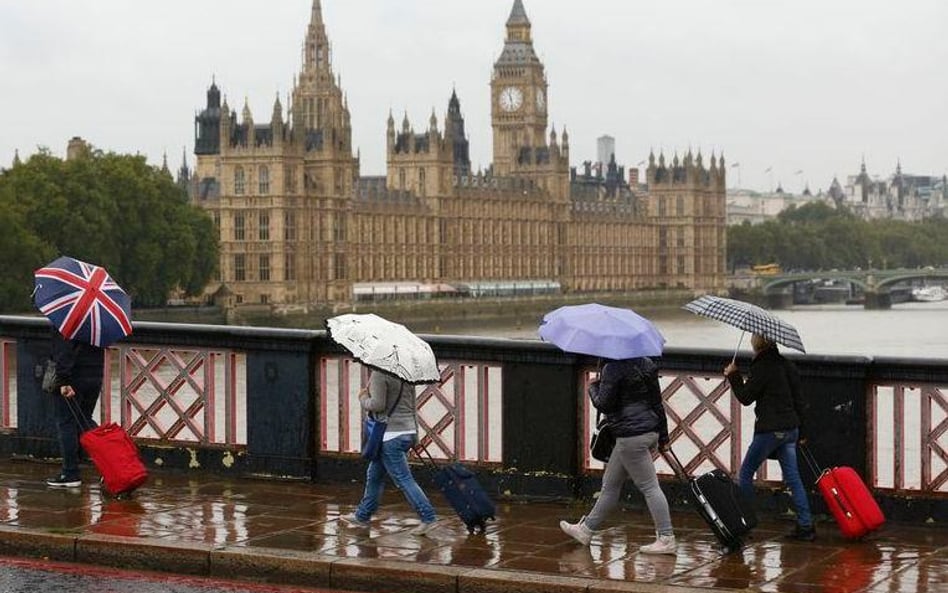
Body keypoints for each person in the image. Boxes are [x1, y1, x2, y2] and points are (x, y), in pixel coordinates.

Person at [560, 356, 677, 554]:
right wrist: (664, 438)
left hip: (631, 436)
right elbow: (658, 403)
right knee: (611, 484)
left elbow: (604, 404)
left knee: (649, 486)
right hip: (648, 431)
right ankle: (586, 530)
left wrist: (593, 387)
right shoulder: (647, 364)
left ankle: (666, 538)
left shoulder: (613, 368)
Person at [724, 333, 814, 541]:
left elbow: (746, 398)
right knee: (793, 479)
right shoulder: (787, 365)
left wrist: (733, 376)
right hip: (791, 429)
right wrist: (803, 432)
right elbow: (799, 400)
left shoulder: (762, 367)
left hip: (770, 430)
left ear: (757, 343)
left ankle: (744, 523)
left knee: (745, 474)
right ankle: (806, 525)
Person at [340, 369, 438, 536]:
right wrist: (415, 436)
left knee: (404, 479)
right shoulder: (407, 373)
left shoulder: (379, 374)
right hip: (407, 431)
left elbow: (378, 405)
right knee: (374, 474)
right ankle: (362, 515)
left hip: (389, 435)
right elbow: (413, 406)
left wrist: (363, 398)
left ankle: (428, 518)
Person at [47, 327, 104, 488]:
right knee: (84, 421)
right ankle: (111, 462)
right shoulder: (97, 320)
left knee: (66, 423)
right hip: (95, 376)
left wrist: (64, 381)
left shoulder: (67, 320)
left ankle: (70, 473)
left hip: (74, 378)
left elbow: (63, 351)